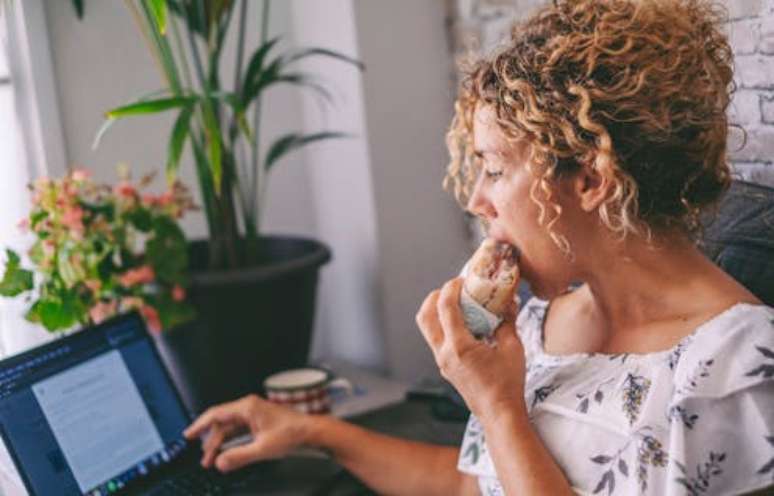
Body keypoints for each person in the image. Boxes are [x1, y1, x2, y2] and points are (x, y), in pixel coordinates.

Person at [184, 0, 774, 494]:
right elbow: (472, 485)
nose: (475, 198)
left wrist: (498, 407)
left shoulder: (740, 372)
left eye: (494, 168)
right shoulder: (539, 322)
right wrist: (313, 433)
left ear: (592, 181)